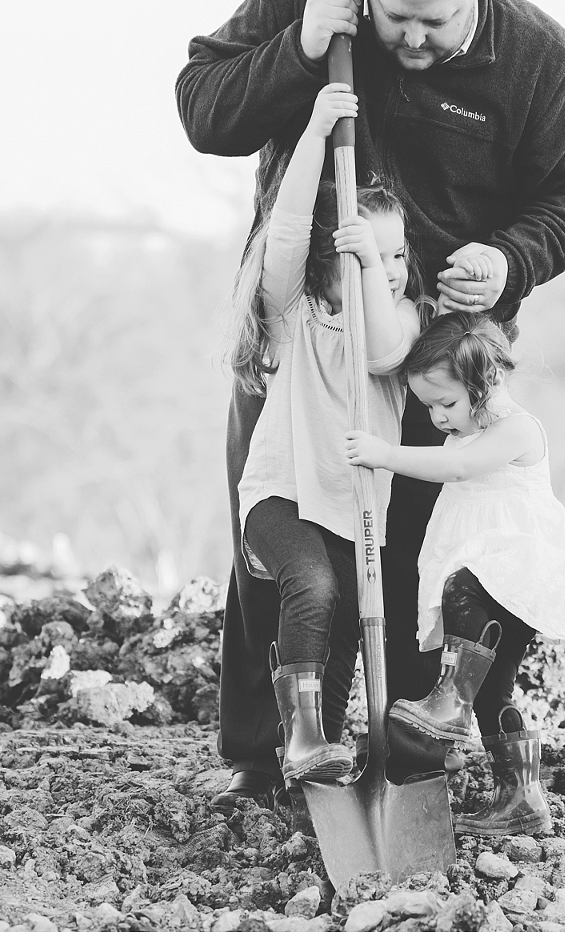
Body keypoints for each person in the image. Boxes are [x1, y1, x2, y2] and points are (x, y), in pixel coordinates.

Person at [176, 0, 565, 813]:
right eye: (393, 18)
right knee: (287, 549)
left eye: (434, 22)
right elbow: (203, 111)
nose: (410, 41)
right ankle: (267, 762)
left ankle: (407, 763)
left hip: (437, 366)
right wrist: (296, 51)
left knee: (432, 559)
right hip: (304, 339)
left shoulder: (538, 59)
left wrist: (513, 257)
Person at [229, 80, 422, 786]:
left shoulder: (401, 324)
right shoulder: (295, 314)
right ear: (330, 255)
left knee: (343, 635)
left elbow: (379, 351)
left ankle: (321, 762)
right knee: (310, 582)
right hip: (280, 497)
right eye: (378, 255)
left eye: (402, 255)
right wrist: (314, 132)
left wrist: (373, 262)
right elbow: (284, 227)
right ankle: (302, 739)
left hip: (354, 515)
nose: (395, 270)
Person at [345, 312, 565, 838]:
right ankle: (522, 799)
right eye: (430, 406)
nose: (437, 418)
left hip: (522, 567)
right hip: (499, 571)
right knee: (495, 694)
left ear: (487, 383)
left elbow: (458, 470)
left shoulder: (516, 429)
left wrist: (384, 456)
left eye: (447, 403)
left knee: (464, 584)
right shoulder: (468, 429)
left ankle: (450, 704)